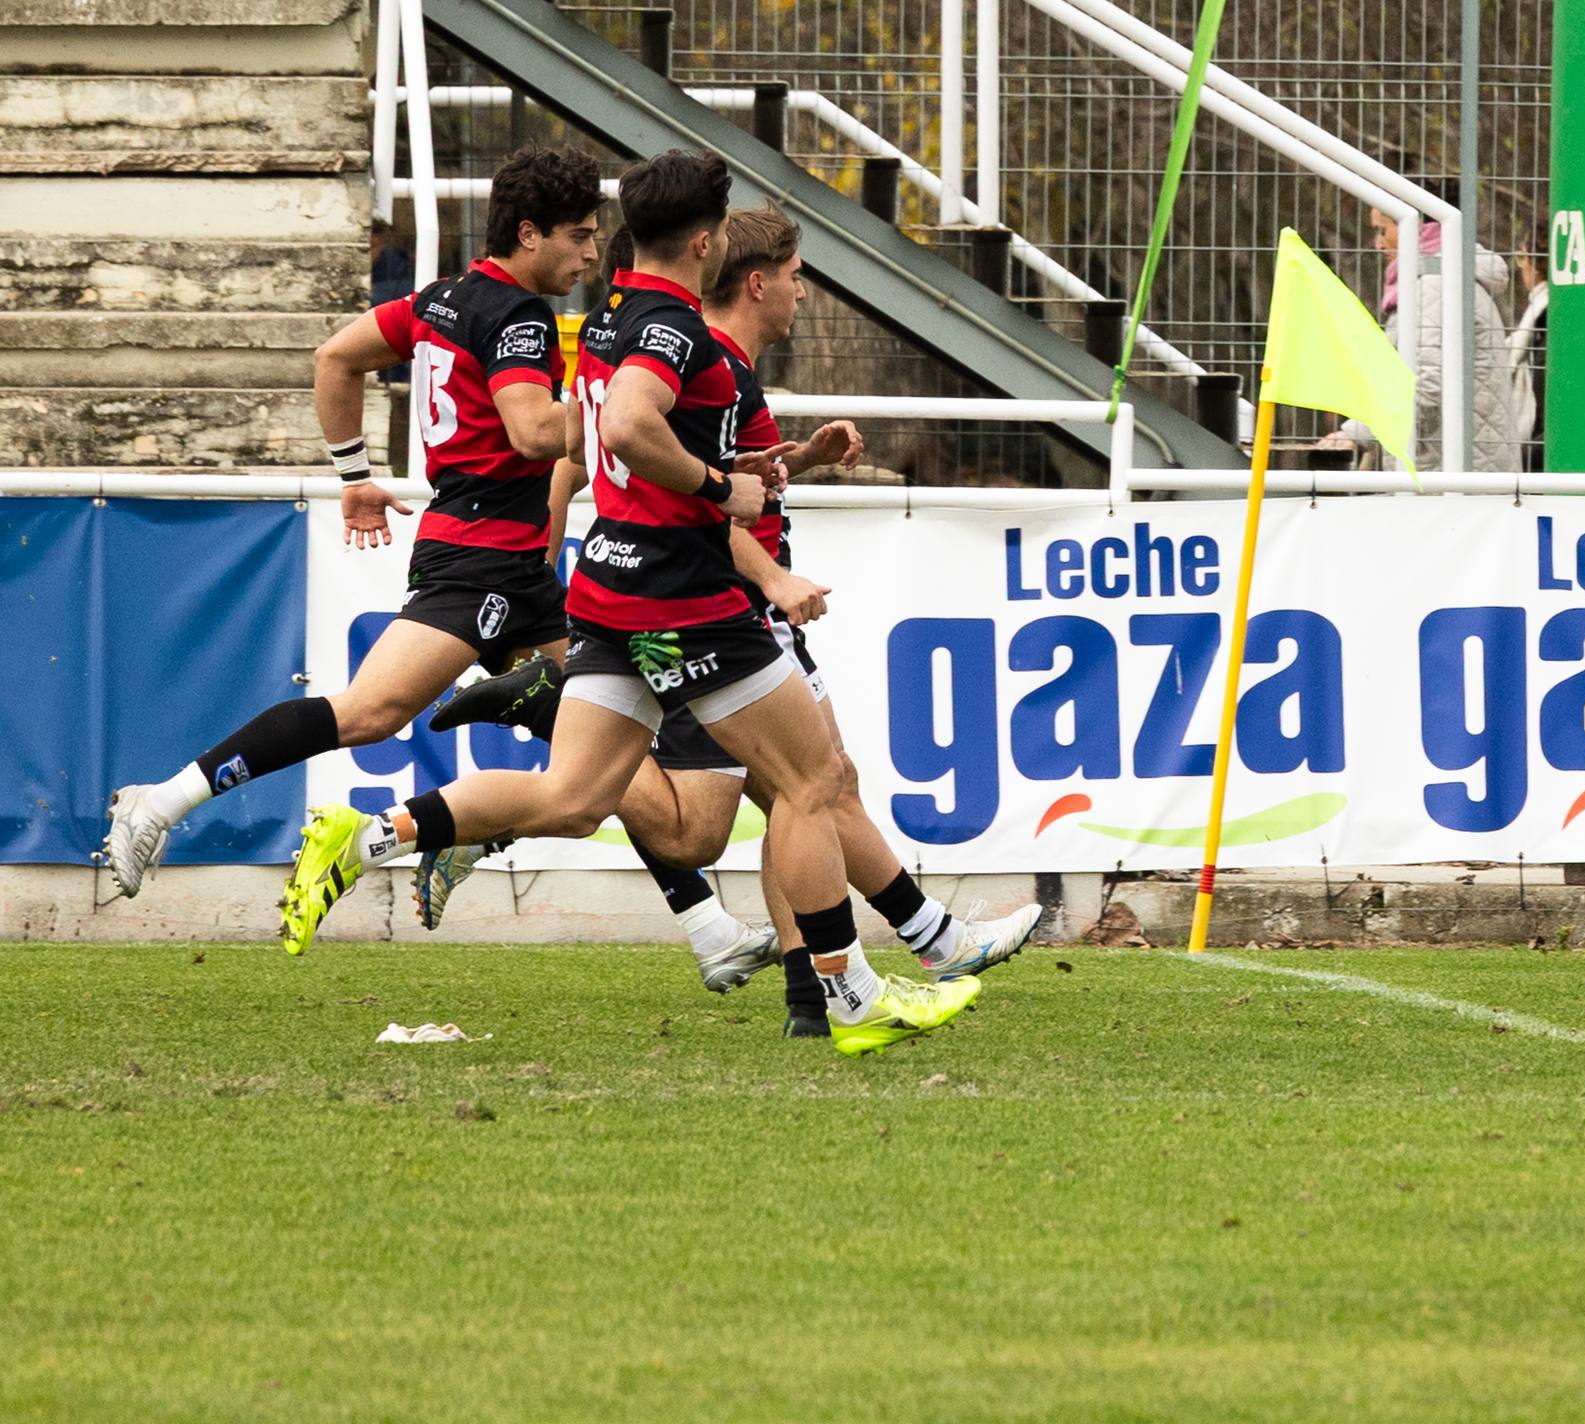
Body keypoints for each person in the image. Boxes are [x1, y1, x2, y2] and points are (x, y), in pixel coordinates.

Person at [274, 149, 971, 1058]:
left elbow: (618, 435)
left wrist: (767, 466)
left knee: (572, 798)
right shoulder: (669, 328)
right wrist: (724, 489)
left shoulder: (604, 317)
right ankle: (851, 994)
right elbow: (634, 425)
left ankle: (375, 834)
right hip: (682, 595)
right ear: (707, 239)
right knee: (811, 784)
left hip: (607, 588)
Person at [426, 209, 1042, 1032]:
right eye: (794, 274)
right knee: (765, 804)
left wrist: (801, 460)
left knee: (801, 792)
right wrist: (773, 575)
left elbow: (697, 474)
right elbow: (690, 495)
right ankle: (882, 968)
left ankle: (847, 984)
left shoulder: (685, 351)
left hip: (676, 602)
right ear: (753, 279)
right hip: (705, 612)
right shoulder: (695, 357)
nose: (800, 290)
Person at [96, 144, 606, 892]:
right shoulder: (518, 317)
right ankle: (161, 801)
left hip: (516, 563)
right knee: (371, 711)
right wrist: (628, 413)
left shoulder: (444, 298)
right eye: (579, 235)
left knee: (601, 750)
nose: (590, 253)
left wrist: (354, 478)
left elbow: (336, 357)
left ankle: (701, 925)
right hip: (478, 555)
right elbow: (533, 432)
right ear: (528, 233)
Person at [1320, 199, 1529, 472]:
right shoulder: (1445, 280)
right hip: (1455, 471)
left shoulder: (1435, 287)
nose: (1378, 244)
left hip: (1445, 483)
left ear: (1416, 227)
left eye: (1383, 230)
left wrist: (1358, 432)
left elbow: (1427, 385)